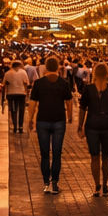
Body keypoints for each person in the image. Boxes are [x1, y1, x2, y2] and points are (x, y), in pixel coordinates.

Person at [31, 57, 75, 195]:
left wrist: (30, 119)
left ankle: (46, 182)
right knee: (57, 153)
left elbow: (32, 102)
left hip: (42, 120)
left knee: (44, 154)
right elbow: (69, 101)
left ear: (45, 68)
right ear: (58, 67)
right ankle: (54, 182)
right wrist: (69, 116)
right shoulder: (64, 83)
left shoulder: (38, 83)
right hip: (59, 121)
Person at [79, 63, 108, 196]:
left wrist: (80, 126)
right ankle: (105, 184)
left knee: (94, 157)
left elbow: (82, 108)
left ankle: (97, 185)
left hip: (92, 125)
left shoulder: (88, 88)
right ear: (107, 73)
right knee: (106, 157)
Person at [1, 59, 31, 134]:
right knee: (21, 110)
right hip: (21, 93)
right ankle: (20, 126)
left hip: (11, 94)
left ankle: (14, 126)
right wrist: (27, 93)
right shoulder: (23, 72)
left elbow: (4, 84)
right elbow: (27, 83)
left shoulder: (7, 73)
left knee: (13, 110)